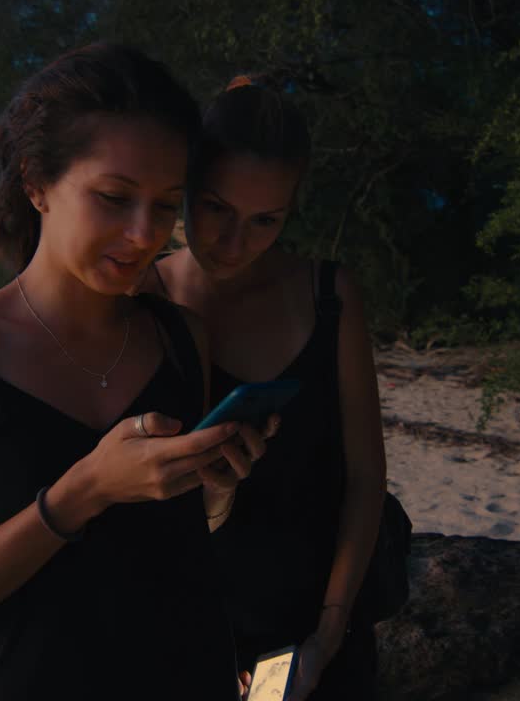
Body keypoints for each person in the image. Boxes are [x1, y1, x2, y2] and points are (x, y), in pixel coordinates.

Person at [0, 43, 269, 701]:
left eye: (166, 204)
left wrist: (220, 483)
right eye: (115, 198)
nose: (143, 233)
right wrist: (83, 491)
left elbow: (188, 536)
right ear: (36, 182)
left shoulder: (182, 336)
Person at [144, 75, 387, 701]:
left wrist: (328, 636)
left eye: (265, 220)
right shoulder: (141, 296)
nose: (233, 242)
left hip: (320, 613)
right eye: (217, 208)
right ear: (186, 186)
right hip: (182, 623)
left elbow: (364, 480)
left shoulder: (328, 295)